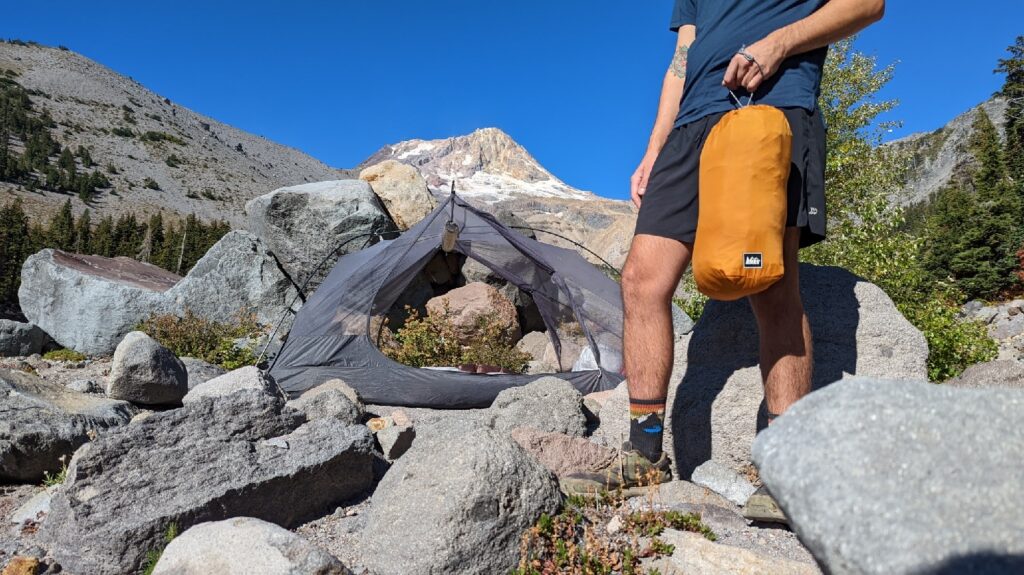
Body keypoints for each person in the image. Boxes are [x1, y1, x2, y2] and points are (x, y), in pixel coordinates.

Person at [562, 0, 885, 516]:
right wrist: (653, 148)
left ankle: (784, 472)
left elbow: (867, 6)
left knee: (772, 286)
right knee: (642, 280)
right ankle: (644, 455)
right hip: (689, 130)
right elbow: (681, 57)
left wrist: (779, 44)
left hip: (770, 110)